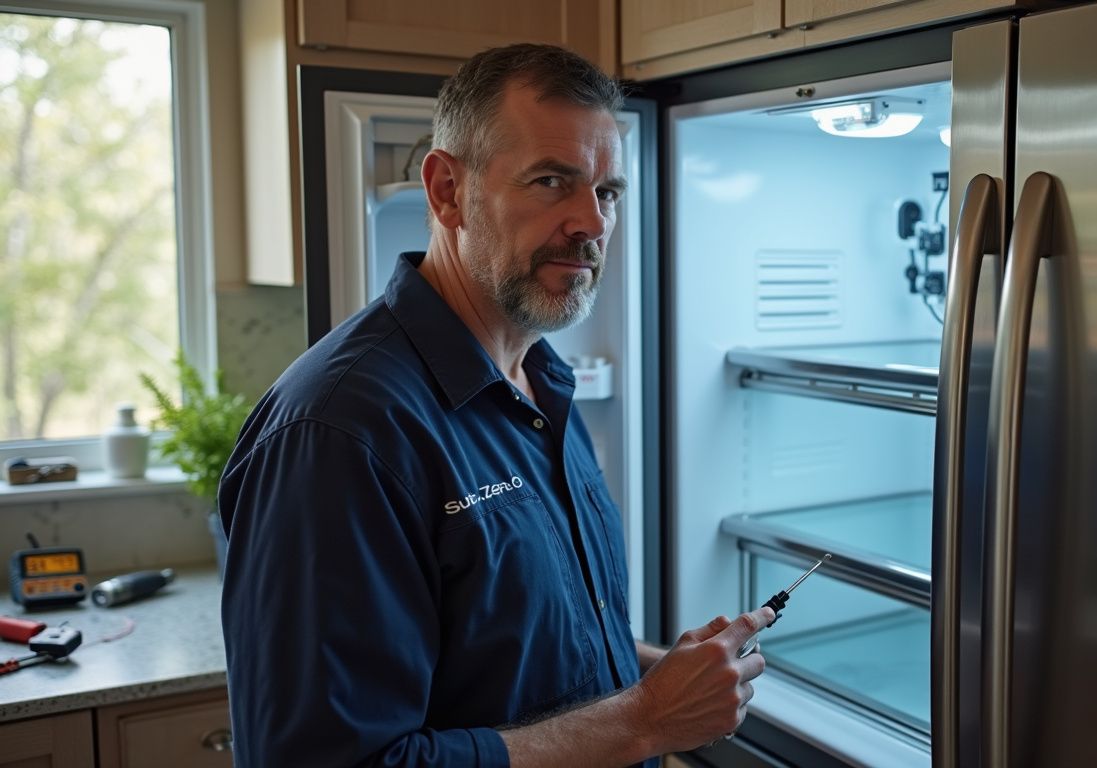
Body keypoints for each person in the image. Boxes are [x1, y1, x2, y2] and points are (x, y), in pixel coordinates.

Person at [218, 43, 773, 767]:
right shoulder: (340, 432)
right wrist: (644, 719)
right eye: (551, 181)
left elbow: (512, 650)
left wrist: (655, 676)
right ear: (447, 191)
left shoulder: (540, 380)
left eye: (607, 193)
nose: (592, 224)